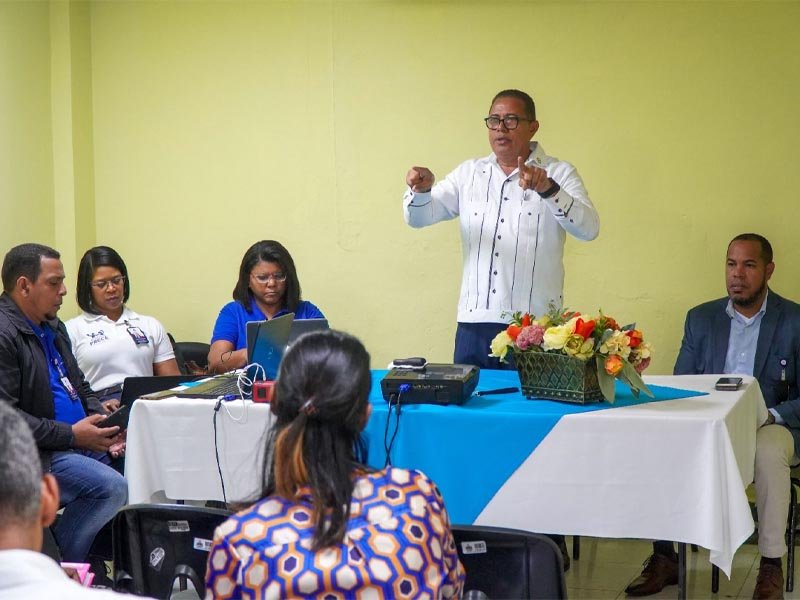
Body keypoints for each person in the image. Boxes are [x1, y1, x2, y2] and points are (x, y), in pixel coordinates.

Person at [205, 330, 465, 598]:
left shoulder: (239, 543)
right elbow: (451, 589)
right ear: (365, 416)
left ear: (273, 403)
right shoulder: (418, 497)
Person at [625, 233, 800, 600]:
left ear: (769, 270)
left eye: (749, 265)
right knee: (661, 442)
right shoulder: (701, 318)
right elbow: (683, 384)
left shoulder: (794, 320)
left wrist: (770, 415)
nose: (737, 274)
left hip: (770, 424)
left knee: (768, 452)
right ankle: (665, 556)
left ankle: (771, 564)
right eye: (731, 264)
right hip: (709, 423)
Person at [403, 88, 599, 370]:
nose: (500, 128)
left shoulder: (559, 173)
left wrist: (548, 189)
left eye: (511, 120)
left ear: (533, 127)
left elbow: (589, 229)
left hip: (535, 328)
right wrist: (422, 191)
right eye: (494, 120)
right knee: (470, 398)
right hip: (473, 325)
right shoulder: (469, 174)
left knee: (531, 399)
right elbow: (419, 218)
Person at [0, 243, 128, 562]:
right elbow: (7, 420)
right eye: (54, 283)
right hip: (36, 454)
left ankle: (110, 569)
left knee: (136, 466)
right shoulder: (4, 334)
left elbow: (79, 385)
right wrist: (72, 435)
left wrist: (105, 427)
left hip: (73, 442)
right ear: (24, 286)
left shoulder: (53, 326)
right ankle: (59, 567)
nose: (64, 291)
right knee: (110, 488)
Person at [0, 402, 143, 599]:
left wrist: (103, 422)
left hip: (65, 440)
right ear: (49, 499)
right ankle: (73, 563)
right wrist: (71, 435)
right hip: (50, 445)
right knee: (111, 487)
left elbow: (82, 389)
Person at [66, 246, 180, 408]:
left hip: (144, 403)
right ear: (87, 287)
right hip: (98, 407)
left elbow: (173, 384)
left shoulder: (149, 325)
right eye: (101, 284)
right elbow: (67, 391)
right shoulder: (71, 330)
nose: (111, 289)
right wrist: (95, 407)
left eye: (116, 280)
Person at [208, 240, 324, 373]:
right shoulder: (233, 312)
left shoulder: (307, 312)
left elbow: (331, 356)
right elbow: (215, 362)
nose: (272, 283)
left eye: (279, 276)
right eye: (262, 277)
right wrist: (253, 353)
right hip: (246, 385)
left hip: (297, 384)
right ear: (247, 280)